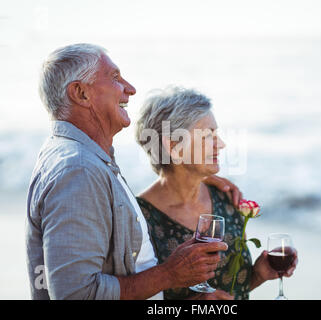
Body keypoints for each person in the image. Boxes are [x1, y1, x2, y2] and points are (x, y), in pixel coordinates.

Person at [25, 44, 242, 300]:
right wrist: (170, 274)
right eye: (115, 78)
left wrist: (195, 175)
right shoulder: (78, 169)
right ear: (81, 93)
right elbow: (76, 294)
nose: (130, 88)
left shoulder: (86, 161)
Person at [135, 87, 298, 300]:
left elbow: (232, 291)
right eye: (208, 135)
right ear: (174, 147)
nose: (221, 144)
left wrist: (258, 274)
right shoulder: (138, 218)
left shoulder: (226, 199)